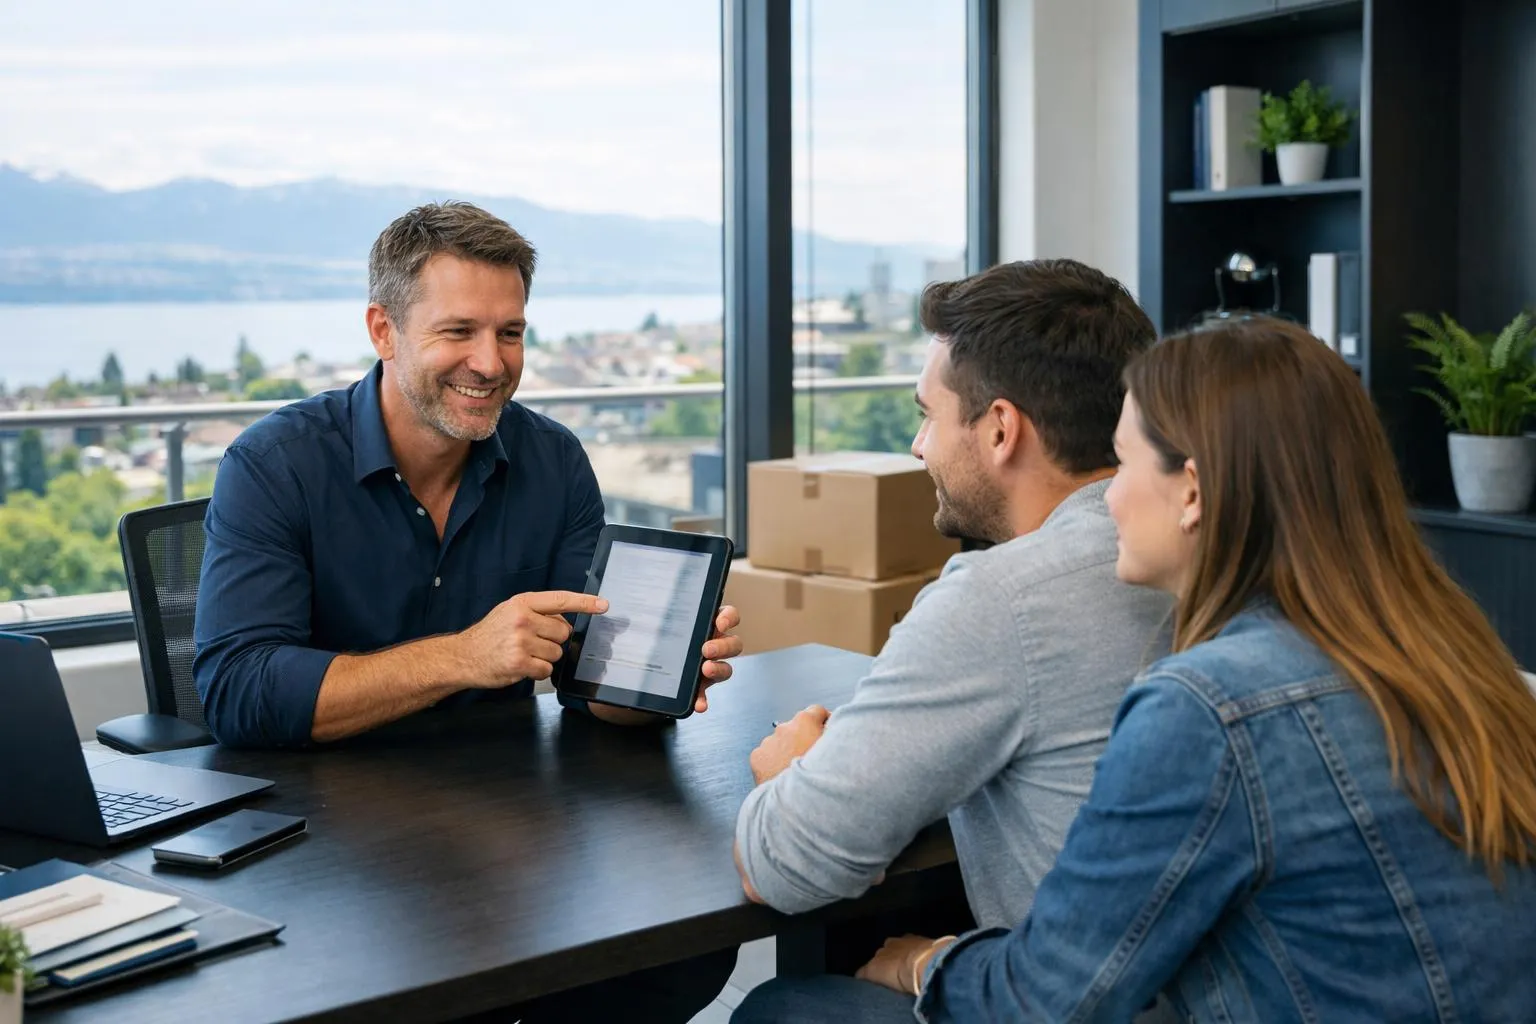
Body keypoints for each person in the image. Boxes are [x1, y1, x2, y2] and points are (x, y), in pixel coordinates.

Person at [734, 317, 1536, 1022]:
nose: (1106, 499)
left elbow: (1044, 1002)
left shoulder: (1205, 706)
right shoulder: (1454, 648)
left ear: (1192, 492)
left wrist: (922, 961)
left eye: (1121, 466)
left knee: (787, 1010)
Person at [193, 201, 743, 1021]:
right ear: (383, 331)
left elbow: (585, 683)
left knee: (685, 949)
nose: (490, 363)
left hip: (505, 814)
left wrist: (655, 678)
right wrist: (464, 656)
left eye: (510, 333)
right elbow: (238, 689)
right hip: (322, 848)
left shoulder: (553, 460)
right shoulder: (274, 466)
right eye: (459, 332)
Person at [733, 259, 1173, 964]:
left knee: (782, 1010)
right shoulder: (1195, 553)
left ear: (1000, 429)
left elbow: (783, 866)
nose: (919, 447)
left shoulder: (1001, 598)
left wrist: (787, 770)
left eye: (927, 416)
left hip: (1069, 998)